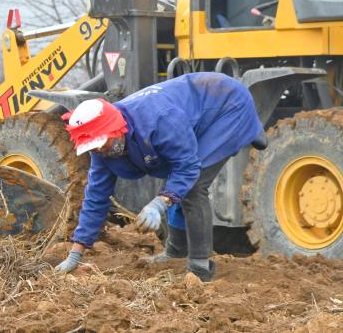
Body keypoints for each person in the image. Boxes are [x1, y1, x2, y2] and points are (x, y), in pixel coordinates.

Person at [54, 72, 264, 282]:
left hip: (227, 105)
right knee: (175, 184)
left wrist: (159, 203)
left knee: (193, 185)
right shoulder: (101, 151)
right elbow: (96, 196)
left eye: (102, 143)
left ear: (115, 128)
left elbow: (187, 168)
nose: (100, 150)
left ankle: (200, 266)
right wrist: (76, 253)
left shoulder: (159, 120)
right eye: (94, 147)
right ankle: (176, 251)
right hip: (193, 112)